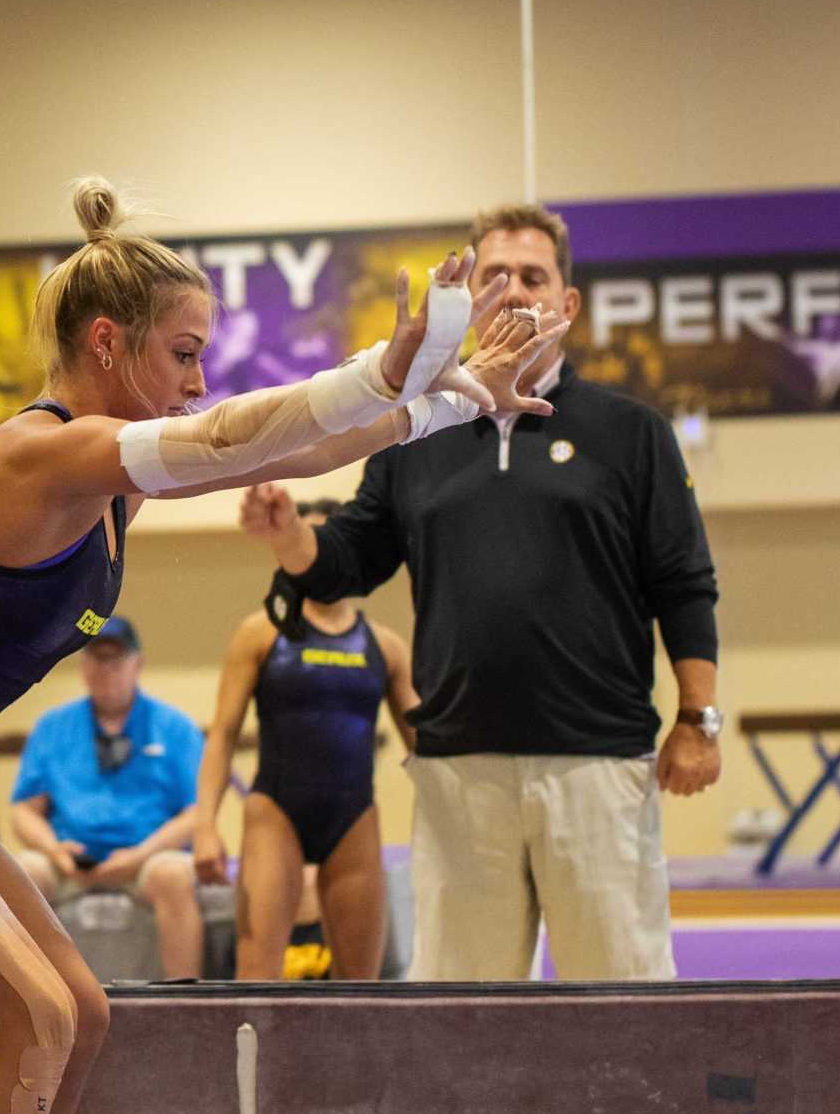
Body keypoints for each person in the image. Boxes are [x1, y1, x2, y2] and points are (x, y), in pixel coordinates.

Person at [0, 177, 560, 1114]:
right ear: (108, 342)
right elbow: (229, 435)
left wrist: (442, 402)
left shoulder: (113, 491)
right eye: (183, 352)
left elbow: (294, 449)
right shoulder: (34, 457)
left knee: (79, 1012)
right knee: (27, 1018)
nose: (198, 378)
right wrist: (386, 367)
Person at [242, 201, 722, 983]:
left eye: (533, 275)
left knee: (626, 1007)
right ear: (467, 302)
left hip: (597, 764)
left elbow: (684, 581)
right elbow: (349, 561)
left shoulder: (631, 433)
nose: (513, 288)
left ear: (566, 304)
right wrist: (288, 534)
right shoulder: (416, 429)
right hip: (459, 770)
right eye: (494, 274)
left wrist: (698, 720)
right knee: (462, 1019)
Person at [194, 508, 415, 980]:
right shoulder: (260, 633)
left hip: (354, 817)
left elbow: (425, 748)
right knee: (256, 980)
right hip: (276, 813)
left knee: (360, 991)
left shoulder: (386, 645)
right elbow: (222, 736)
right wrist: (205, 827)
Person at [8, 616, 207, 981]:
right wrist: (53, 850)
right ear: (84, 667)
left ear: (138, 665)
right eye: (97, 659)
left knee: (175, 875)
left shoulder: (175, 727)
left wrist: (138, 856)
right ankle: (29, 1004)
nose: (106, 670)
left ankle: (184, 1000)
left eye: (116, 659)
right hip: (69, 861)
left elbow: (197, 814)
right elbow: (25, 810)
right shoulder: (53, 727)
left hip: (148, 858)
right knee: (21, 871)